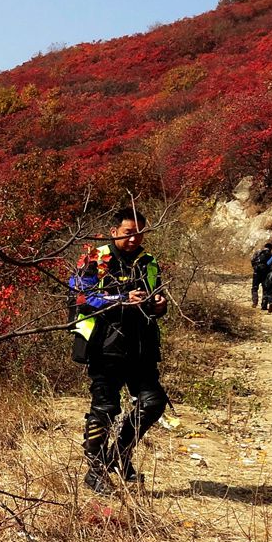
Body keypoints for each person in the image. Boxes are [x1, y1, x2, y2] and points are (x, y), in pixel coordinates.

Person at [69, 207, 170, 492]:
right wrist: (121, 298)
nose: (134, 239)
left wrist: (158, 305)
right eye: (128, 233)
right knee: (105, 408)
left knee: (153, 402)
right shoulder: (94, 258)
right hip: (104, 345)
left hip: (141, 346)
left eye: (139, 233)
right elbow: (80, 297)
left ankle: (118, 454)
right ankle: (95, 470)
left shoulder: (148, 261)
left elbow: (154, 299)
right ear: (114, 232)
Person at [250, 241, 272, 308]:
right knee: (265, 289)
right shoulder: (271, 255)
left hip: (257, 273)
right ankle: (264, 305)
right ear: (271, 248)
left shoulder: (258, 252)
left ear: (264, 247)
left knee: (255, 288)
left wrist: (255, 267)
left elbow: (252, 260)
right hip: (266, 274)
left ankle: (255, 302)